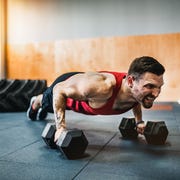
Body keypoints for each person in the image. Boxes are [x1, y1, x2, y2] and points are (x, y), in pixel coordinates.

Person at [27, 56, 165, 142]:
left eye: (159, 87)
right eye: (150, 86)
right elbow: (59, 90)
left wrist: (139, 121)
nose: (156, 93)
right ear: (130, 81)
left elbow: (136, 100)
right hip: (65, 87)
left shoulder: (136, 90)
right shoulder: (102, 87)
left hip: (85, 94)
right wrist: (60, 128)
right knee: (45, 103)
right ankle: (35, 102)